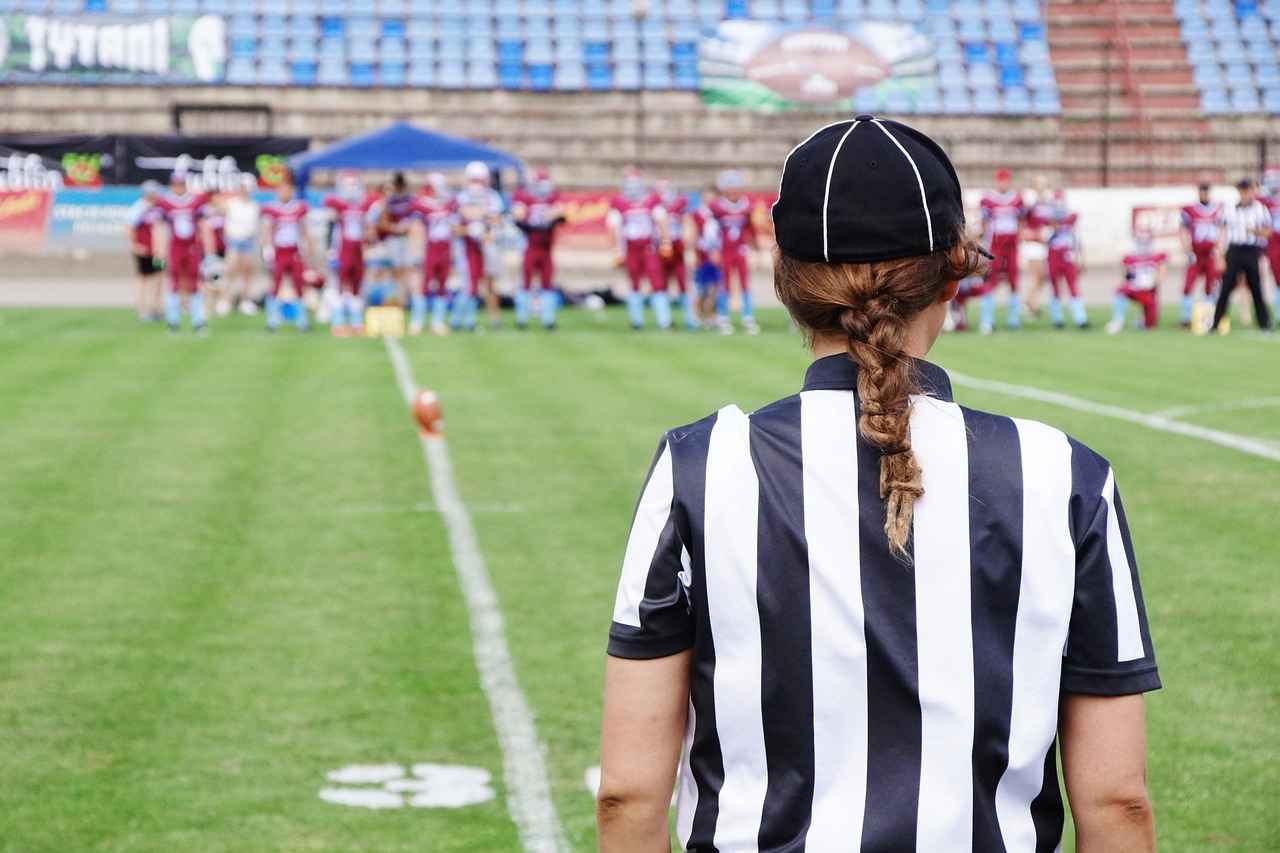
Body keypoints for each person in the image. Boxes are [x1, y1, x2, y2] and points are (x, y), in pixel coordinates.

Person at [597, 115, 1159, 853]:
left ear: (788, 282)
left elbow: (628, 795)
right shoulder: (1064, 474)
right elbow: (1116, 802)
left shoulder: (699, 465)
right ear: (953, 276)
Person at [152, 171, 214, 335]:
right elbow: (159, 227)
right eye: (176, 184)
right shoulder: (164, 202)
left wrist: (209, 249)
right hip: (175, 248)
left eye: (181, 184)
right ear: (172, 185)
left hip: (192, 247)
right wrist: (159, 250)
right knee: (174, 283)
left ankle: (198, 321)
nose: (179, 187)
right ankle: (173, 322)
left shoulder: (196, 201)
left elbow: (203, 225)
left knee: (195, 282)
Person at [1212, 178, 1273, 333]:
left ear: (1252, 191)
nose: (1245, 193)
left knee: (1255, 288)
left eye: (1247, 190)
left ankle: (1264, 323)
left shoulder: (1260, 209)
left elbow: (1268, 232)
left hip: (1251, 250)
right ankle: (1215, 323)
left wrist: (1254, 231)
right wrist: (1219, 254)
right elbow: (1221, 231)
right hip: (1234, 250)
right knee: (1225, 288)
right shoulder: (1229, 208)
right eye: (1242, 190)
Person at [607, 168, 664, 330]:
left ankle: (663, 320)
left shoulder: (651, 200)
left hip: (648, 246)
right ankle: (636, 321)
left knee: (657, 281)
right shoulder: (619, 202)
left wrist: (665, 242)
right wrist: (616, 251)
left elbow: (661, 220)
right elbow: (613, 226)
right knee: (634, 283)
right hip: (631, 248)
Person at [323, 171, 377, 336]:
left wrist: (369, 239)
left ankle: (356, 321)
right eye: (348, 185)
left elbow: (369, 228)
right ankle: (338, 322)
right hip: (341, 250)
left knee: (356, 287)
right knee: (339, 286)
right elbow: (330, 219)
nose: (352, 189)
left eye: (354, 185)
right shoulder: (337, 205)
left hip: (357, 251)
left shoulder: (363, 206)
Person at [511, 167, 565, 330]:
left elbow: (561, 214)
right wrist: (535, 224)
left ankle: (548, 319)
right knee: (526, 282)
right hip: (531, 245)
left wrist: (549, 218)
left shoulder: (553, 198)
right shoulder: (525, 197)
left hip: (546, 247)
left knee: (547, 283)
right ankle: (522, 318)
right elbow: (518, 217)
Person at [453, 161, 505, 332]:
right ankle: (463, 319)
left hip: (488, 245)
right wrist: (474, 225)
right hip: (468, 246)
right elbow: (459, 223)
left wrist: (483, 221)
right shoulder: (461, 197)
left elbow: (496, 220)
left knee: (490, 283)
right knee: (469, 283)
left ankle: (495, 319)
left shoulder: (493, 197)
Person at [709, 169, 762, 335]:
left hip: (740, 249)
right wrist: (713, 249)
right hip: (724, 249)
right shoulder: (716, 207)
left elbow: (750, 229)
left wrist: (755, 247)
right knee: (724, 284)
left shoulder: (747, 205)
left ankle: (747, 316)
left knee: (744, 282)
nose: (732, 193)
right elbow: (710, 230)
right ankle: (723, 316)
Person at [260, 174, 315, 332]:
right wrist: (267, 249)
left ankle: (302, 321)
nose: (284, 192)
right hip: (279, 251)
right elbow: (267, 229)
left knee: (299, 284)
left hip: (294, 251)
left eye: (287, 189)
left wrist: (308, 248)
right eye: (281, 189)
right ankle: (272, 321)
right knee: (275, 285)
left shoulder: (299, 207)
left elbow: (304, 229)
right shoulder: (272, 208)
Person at [409, 172, 458, 336]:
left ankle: (437, 322)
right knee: (425, 284)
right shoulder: (422, 203)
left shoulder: (450, 203)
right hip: (431, 248)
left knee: (443, 285)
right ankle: (417, 320)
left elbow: (456, 223)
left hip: (446, 248)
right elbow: (415, 222)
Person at [978, 167, 1026, 333]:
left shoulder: (1017, 199)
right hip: (996, 245)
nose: (1003, 184)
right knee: (990, 279)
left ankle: (1013, 319)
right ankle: (987, 319)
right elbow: (983, 223)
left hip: (1011, 245)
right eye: (1001, 180)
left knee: (1014, 279)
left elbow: (1021, 220)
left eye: (1006, 180)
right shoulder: (989, 200)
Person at [654, 178, 698, 331]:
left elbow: (688, 223)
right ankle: (664, 320)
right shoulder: (654, 205)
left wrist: (690, 248)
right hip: (659, 248)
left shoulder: (680, 204)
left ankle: (690, 318)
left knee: (684, 283)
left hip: (677, 247)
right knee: (660, 284)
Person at [1180, 182, 1224, 328]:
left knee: (1210, 285)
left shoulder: (1218, 208)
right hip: (1196, 253)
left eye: (1206, 191)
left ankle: (1209, 318)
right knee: (1188, 284)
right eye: (1201, 191)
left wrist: (1219, 250)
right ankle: (1185, 318)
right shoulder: (1189, 210)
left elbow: (1222, 230)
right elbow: (1183, 231)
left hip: (1211, 253)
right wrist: (1187, 251)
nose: (1203, 194)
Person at [1044, 189, 1089, 329]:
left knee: (1073, 285)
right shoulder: (1048, 219)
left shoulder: (1071, 218)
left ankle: (1080, 318)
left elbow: (1077, 239)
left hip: (1067, 255)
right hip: (1053, 255)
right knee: (1055, 287)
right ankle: (1057, 318)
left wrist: (1081, 258)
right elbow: (1045, 238)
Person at [1107, 230, 1166, 334]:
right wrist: (1128, 276)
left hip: (1148, 291)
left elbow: (1162, 274)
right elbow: (1125, 276)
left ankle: (1142, 319)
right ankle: (1117, 320)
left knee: (1149, 325)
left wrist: (1152, 283)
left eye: (1145, 242)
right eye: (1141, 241)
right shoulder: (1131, 258)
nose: (1143, 245)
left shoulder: (1156, 257)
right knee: (1120, 291)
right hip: (1134, 289)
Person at [220, 174, 261, 317]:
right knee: (230, 270)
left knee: (247, 271)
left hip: (248, 241)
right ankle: (225, 299)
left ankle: (245, 300)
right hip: (234, 240)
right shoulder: (231, 203)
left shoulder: (254, 206)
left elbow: (255, 226)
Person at [125, 180, 164, 322]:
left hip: (158, 252)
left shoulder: (158, 209)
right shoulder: (139, 208)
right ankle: (142, 309)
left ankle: (156, 307)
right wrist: (135, 245)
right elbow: (128, 227)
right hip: (144, 250)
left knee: (159, 277)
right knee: (143, 279)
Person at [375, 171, 416, 305]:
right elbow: (381, 223)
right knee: (396, 269)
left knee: (408, 269)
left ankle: (404, 298)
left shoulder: (410, 200)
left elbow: (416, 219)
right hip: (394, 239)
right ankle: (397, 299)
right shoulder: (390, 201)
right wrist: (395, 228)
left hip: (407, 239)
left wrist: (409, 227)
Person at [691, 185, 723, 328]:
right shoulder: (697, 214)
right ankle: (696, 315)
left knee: (715, 288)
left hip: (717, 255)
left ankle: (711, 315)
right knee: (702, 288)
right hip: (703, 255)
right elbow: (693, 234)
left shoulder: (719, 213)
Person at [1022, 173, 1053, 318]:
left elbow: (1049, 221)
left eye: (1044, 183)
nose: (1042, 186)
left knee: (1042, 276)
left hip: (1043, 243)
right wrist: (1027, 233)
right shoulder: (1030, 200)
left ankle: (1030, 302)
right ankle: (1029, 303)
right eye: (1039, 183)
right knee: (1035, 275)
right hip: (1032, 243)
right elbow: (1021, 219)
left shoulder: (1047, 201)